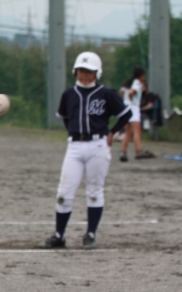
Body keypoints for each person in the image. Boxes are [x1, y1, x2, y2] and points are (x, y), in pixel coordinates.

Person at [41, 51, 132, 250]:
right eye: (81, 70)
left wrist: (112, 132)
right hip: (74, 146)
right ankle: (59, 235)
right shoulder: (69, 94)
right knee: (64, 193)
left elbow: (126, 114)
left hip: (98, 145)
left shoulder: (106, 93)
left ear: (97, 73)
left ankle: (90, 234)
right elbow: (66, 118)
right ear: (75, 72)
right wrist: (74, 133)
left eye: (89, 71)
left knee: (94, 192)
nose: (85, 75)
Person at [119, 66, 156, 162]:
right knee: (136, 131)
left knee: (127, 132)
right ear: (142, 75)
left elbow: (121, 91)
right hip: (133, 108)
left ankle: (123, 152)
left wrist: (125, 100)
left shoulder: (128, 83)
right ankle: (138, 151)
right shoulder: (137, 83)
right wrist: (131, 98)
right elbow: (132, 92)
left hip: (125, 107)